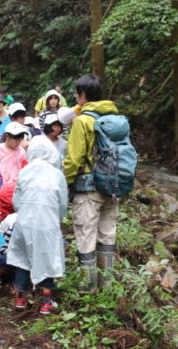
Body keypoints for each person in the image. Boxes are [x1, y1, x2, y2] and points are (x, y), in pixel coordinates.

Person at [63, 74, 119, 291]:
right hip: (113, 186)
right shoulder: (115, 118)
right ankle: (107, 285)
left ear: (83, 95)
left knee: (86, 236)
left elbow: (74, 159)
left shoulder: (83, 121)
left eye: (77, 95)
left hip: (88, 189)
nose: (76, 98)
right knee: (107, 234)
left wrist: (65, 183)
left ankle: (88, 289)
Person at [7, 136, 68, 315]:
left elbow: (15, 200)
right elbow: (62, 204)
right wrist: (56, 219)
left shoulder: (25, 171)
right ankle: (46, 303)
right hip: (47, 223)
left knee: (22, 259)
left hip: (24, 221)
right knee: (47, 258)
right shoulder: (57, 174)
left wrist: (25, 212)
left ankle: (20, 299)